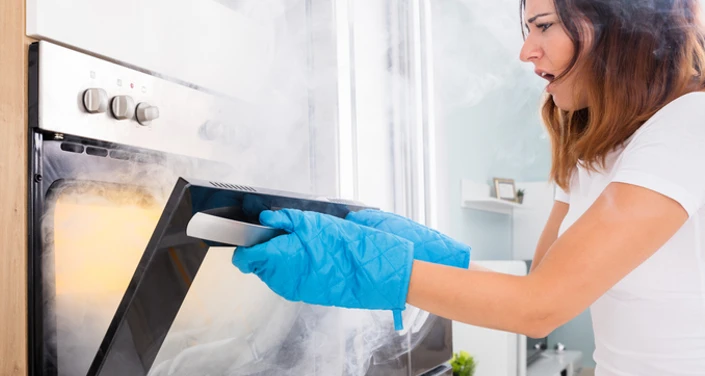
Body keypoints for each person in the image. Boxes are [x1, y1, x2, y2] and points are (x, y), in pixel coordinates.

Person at [231, 0, 705, 374]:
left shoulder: (690, 125)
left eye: (543, 26)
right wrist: (427, 255)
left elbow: (540, 309)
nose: (526, 51)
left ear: (618, 26)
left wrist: (377, 269)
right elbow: (539, 284)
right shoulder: (594, 149)